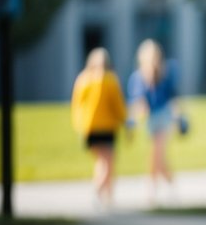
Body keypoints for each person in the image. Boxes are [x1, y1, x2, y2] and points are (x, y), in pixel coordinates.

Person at [70, 47, 129, 211]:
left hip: (89, 127)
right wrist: (125, 122)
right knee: (108, 162)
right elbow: (118, 106)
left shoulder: (83, 80)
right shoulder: (110, 80)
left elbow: (77, 106)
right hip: (106, 127)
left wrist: (79, 126)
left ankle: (108, 196)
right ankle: (99, 192)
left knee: (101, 162)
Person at [127, 39, 184, 205]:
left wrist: (179, 118)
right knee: (159, 158)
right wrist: (134, 121)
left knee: (156, 154)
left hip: (164, 116)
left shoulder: (166, 74)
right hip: (150, 119)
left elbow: (173, 98)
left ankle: (151, 189)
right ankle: (171, 185)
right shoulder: (138, 78)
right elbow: (138, 102)